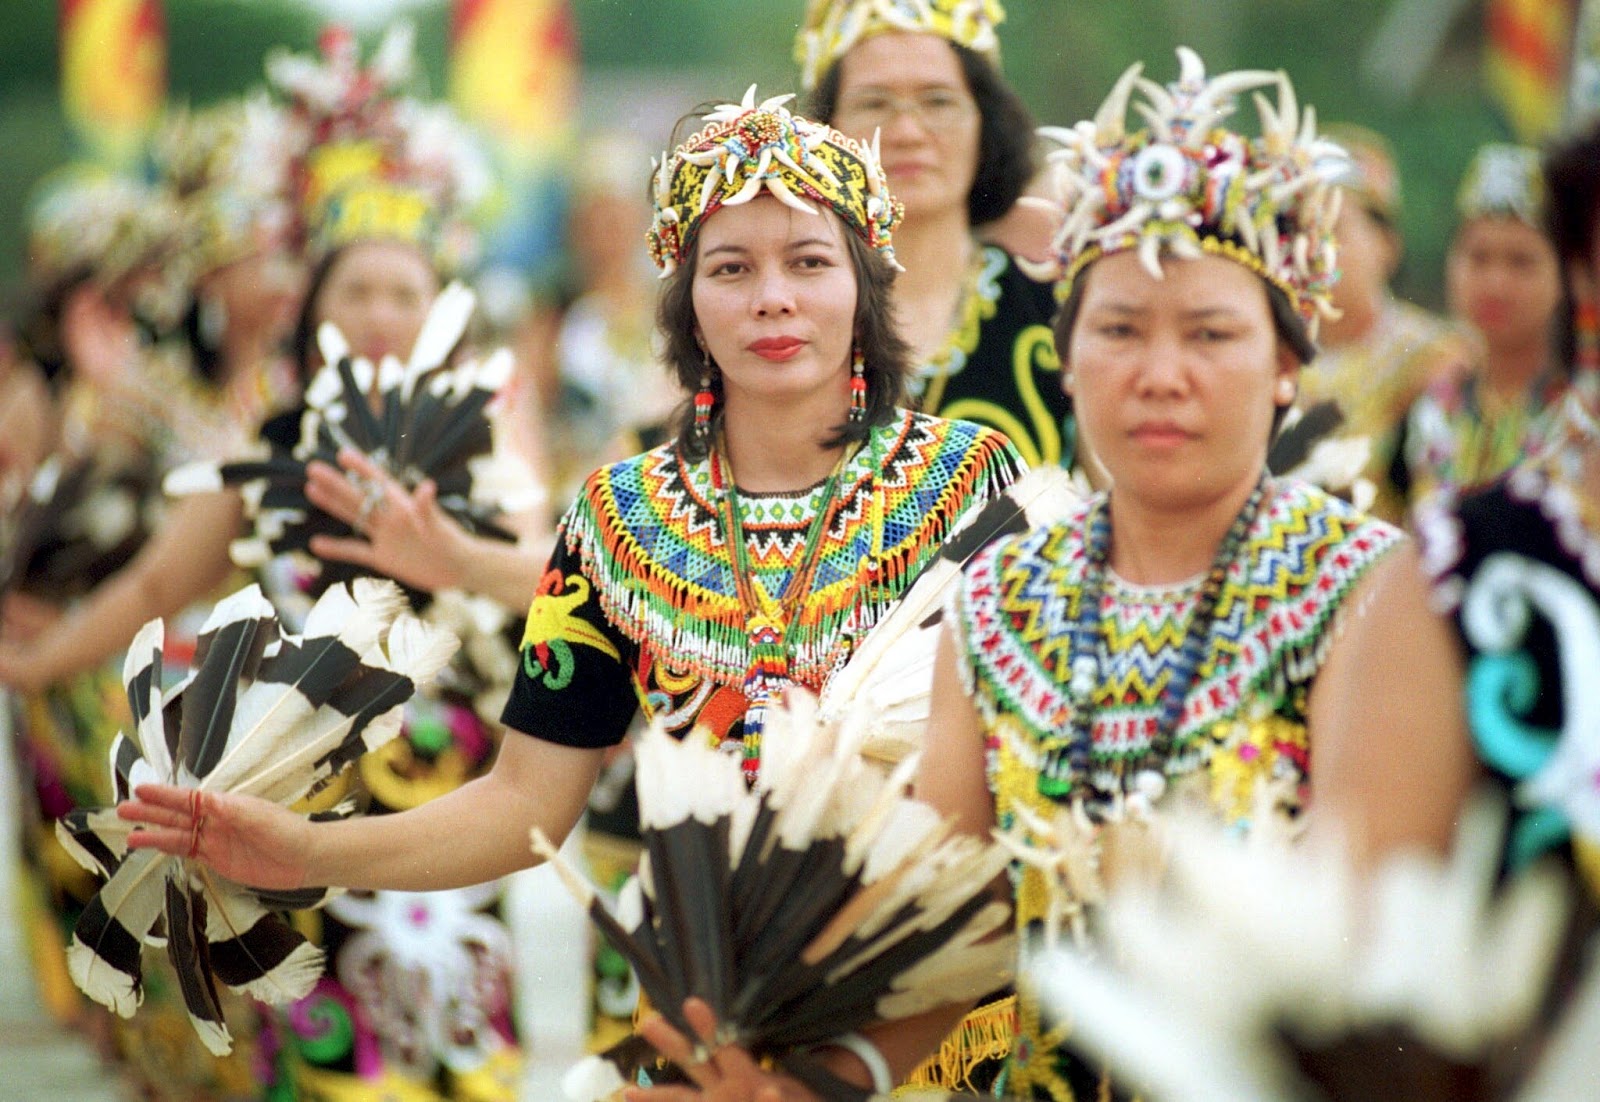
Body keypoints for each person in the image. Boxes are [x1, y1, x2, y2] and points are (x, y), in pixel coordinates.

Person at [115, 89, 1025, 1096]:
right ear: (685, 305)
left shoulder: (967, 484)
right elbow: (523, 802)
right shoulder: (621, 518)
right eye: (731, 267)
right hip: (709, 1024)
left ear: (864, 285)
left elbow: (1008, 793)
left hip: (927, 1027)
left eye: (809, 261)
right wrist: (308, 850)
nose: (773, 296)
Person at [798, 0, 1076, 470]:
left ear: (985, 124)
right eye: (874, 103)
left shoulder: (1062, 313)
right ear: (825, 129)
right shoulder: (785, 316)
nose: (907, 131)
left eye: (938, 101)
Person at [1286, 124, 1471, 519]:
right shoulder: (1262, 352)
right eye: (1297, 233)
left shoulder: (1437, 357)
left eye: (1333, 232)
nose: (1313, 254)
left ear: (1386, 245)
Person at [1390, 143, 1569, 512]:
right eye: (1477, 257)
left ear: (1568, 275)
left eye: (1522, 262)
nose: (1495, 284)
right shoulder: (1426, 409)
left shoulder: (1578, 417)